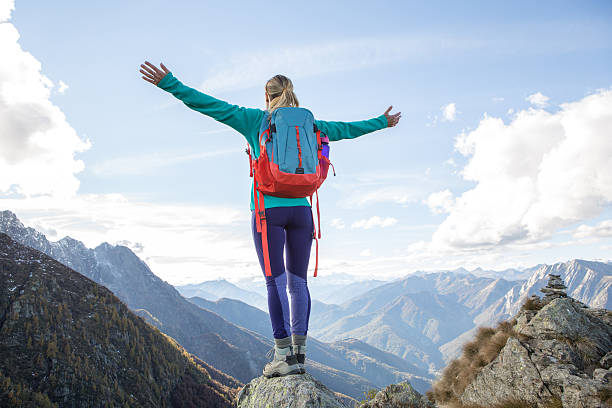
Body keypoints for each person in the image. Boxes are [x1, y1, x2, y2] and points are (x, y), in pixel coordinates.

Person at [140, 61, 401, 378]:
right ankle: (300, 356)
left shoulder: (255, 120)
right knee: (298, 283)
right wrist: (382, 121)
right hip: (302, 211)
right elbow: (348, 129)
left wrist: (170, 83)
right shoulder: (311, 124)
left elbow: (208, 104)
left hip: (268, 213)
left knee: (274, 282)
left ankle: (282, 357)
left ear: (267, 96)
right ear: (292, 96)